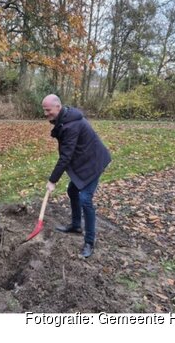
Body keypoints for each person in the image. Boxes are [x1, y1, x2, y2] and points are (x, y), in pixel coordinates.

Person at [42, 94, 111, 258]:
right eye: (44, 110)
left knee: (85, 199)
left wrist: (52, 180)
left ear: (58, 107)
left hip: (93, 162)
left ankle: (89, 242)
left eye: (48, 110)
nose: (46, 114)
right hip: (85, 160)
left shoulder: (72, 125)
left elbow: (66, 157)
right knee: (73, 191)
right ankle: (75, 225)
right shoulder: (66, 119)